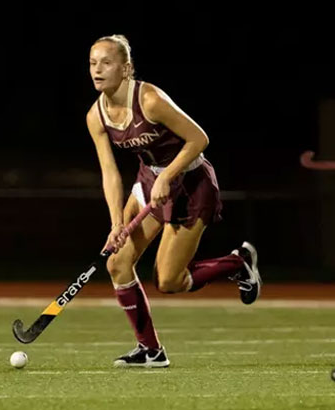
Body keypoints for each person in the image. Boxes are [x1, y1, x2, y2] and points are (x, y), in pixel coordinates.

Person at [85, 34, 261, 368]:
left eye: (106, 62)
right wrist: (116, 223)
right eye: (92, 63)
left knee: (169, 281)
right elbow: (109, 172)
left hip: (192, 183)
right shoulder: (96, 116)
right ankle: (151, 351)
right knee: (117, 263)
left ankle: (238, 263)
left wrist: (168, 175)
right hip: (150, 181)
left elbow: (199, 138)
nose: (97, 70)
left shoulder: (149, 99)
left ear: (126, 68)